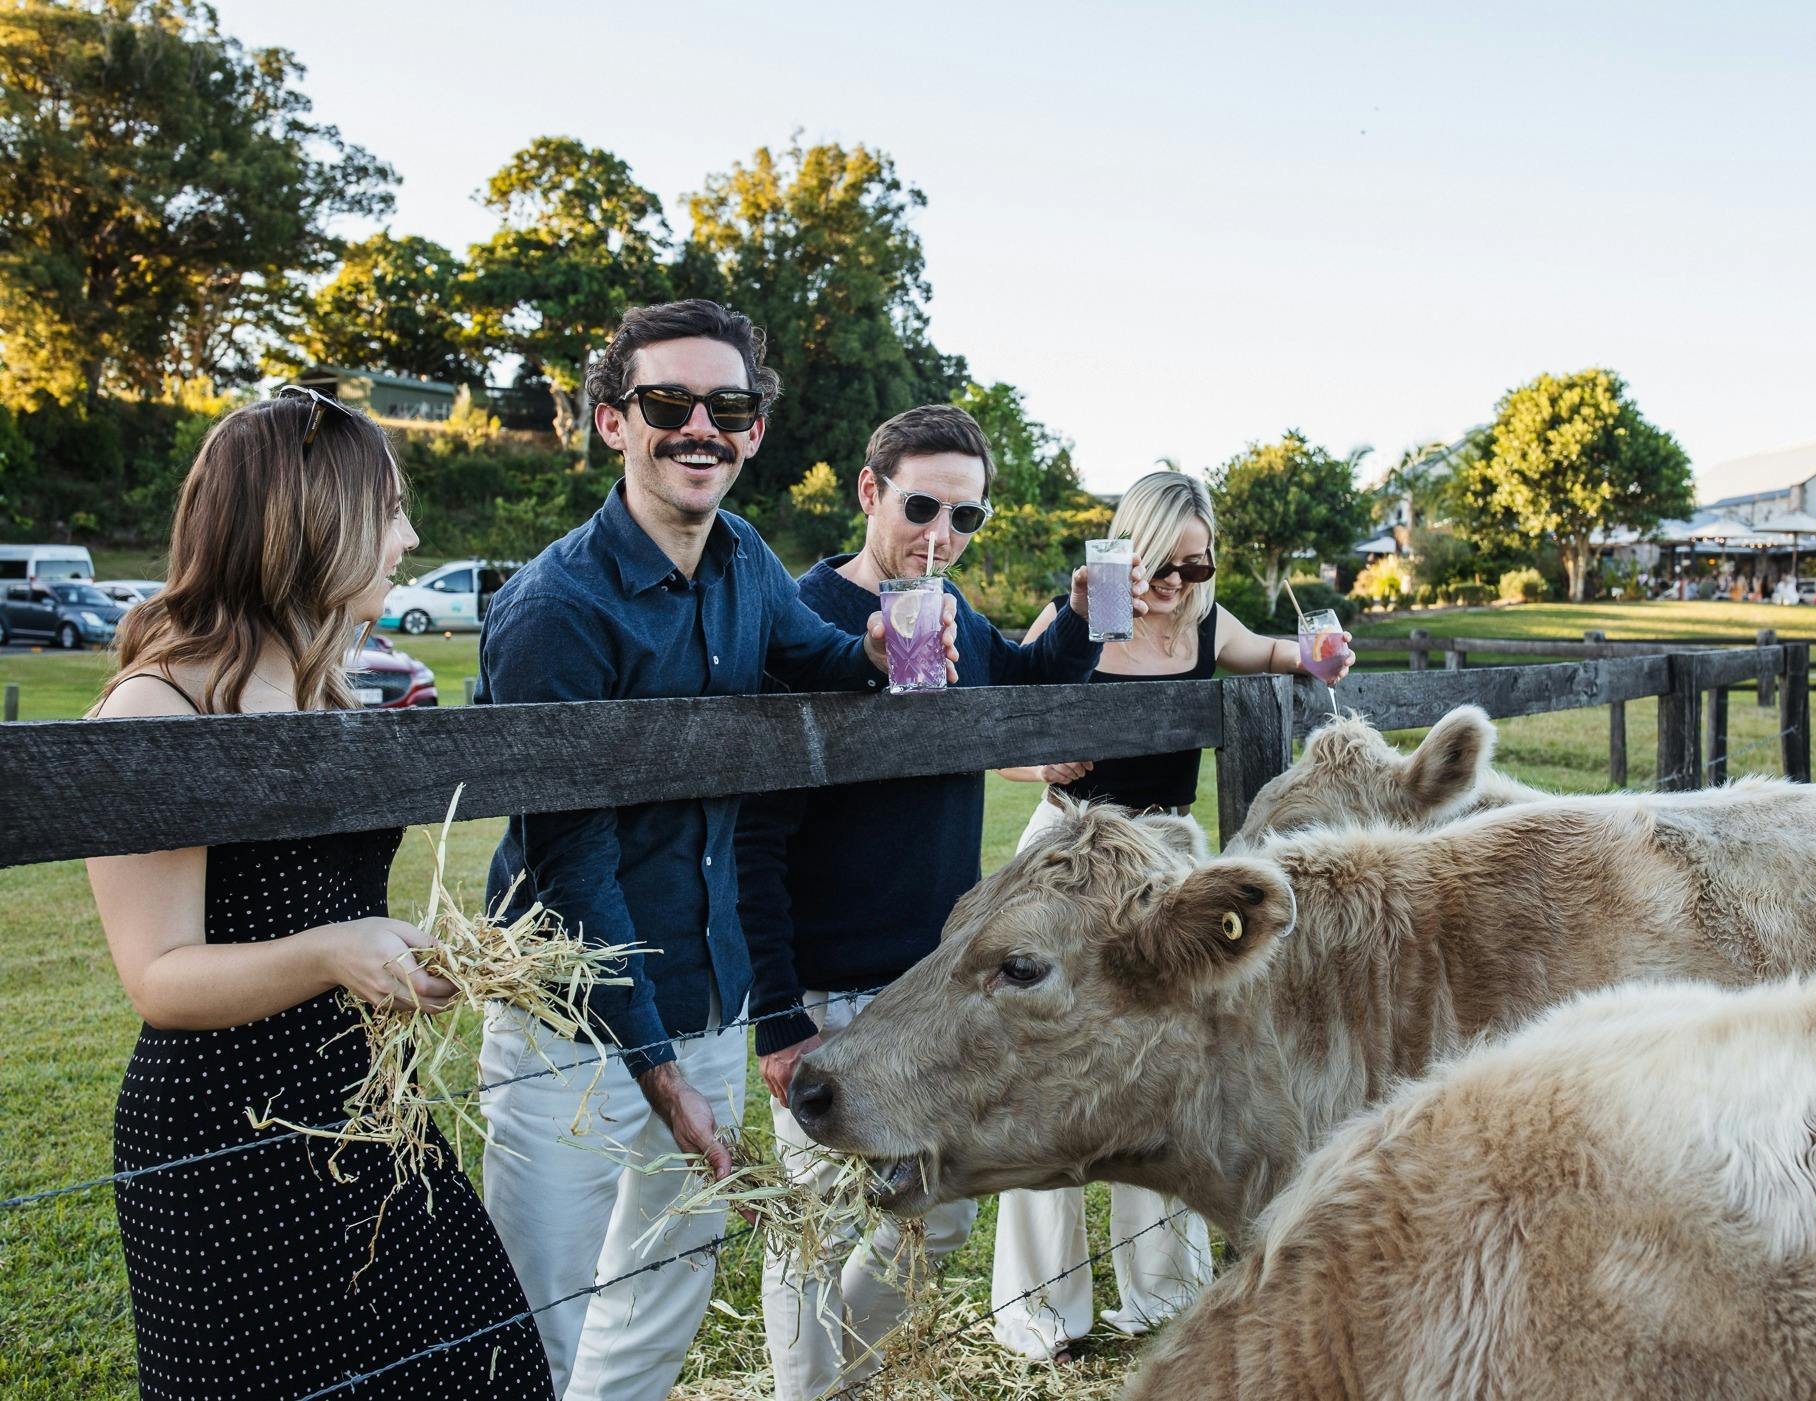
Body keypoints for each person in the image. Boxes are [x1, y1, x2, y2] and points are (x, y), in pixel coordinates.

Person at [473, 299, 956, 1401]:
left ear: (754, 430)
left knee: (663, 1294)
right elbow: (571, 867)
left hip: (708, 999)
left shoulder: (742, 557)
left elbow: (812, 651)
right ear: (610, 423)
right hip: (569, 1023)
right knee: (533, 1309)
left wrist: (874, 646)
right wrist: (660, 1077)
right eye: (666, 402)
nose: (700, 426)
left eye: (726, 405)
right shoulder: (555, 610)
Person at [84, 390, 555, 1400]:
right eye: (388, 510)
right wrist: (335, 952)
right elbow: (156, 976)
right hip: (226, 1138)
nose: (410, 536)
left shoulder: (328, 689)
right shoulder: (155, 706)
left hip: (365, 1110)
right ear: (314, 518)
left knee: (491, 1368)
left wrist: (400, 953)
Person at [737, 403, 1138, 1400]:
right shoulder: (801, 622)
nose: (943, 537)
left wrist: (1085, 613)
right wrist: (779, 1018)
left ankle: (838, 1379)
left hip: (933, 991)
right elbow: (752, 841)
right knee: (818, 1225)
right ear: (869, 492)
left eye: (969, 518)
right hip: (829, 989)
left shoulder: (951, 617)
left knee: (940, 1211)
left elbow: (1031, 680)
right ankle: (814, 1390)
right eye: (923, 507)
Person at [986, 469, 1354, 1363]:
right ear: (1131, 550)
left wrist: (1322, 652)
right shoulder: (1070, 623)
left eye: (1201, 565)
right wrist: (1047, 768)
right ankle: (1042, 1312)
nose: (1183, 583)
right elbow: (996, 743)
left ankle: (1163, 1290)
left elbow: (1283, 654)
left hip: (1164, 868)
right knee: (1047, 1073)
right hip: (1067, 858)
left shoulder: (1204, 624)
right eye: (1170, 565)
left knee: (1165, 1073)